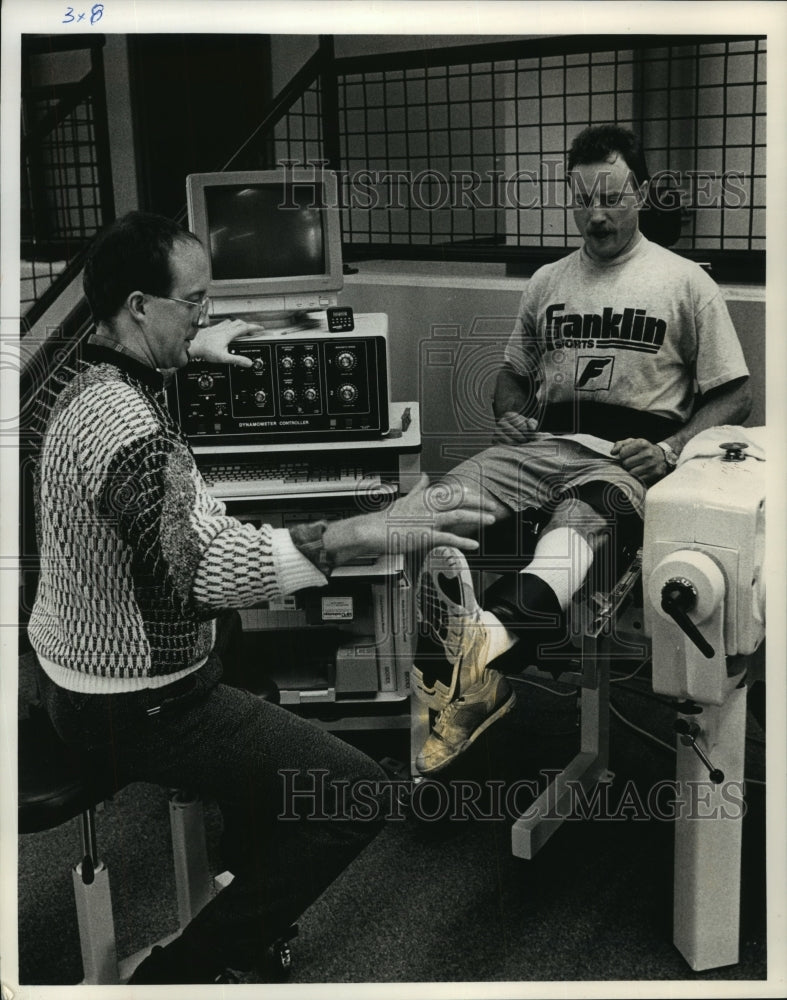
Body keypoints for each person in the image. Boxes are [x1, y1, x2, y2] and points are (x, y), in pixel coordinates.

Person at [26, 210, 495, 983]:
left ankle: (244, 862)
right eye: (195, 303)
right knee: (357, 792)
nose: (206, 317)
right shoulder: (131, 433)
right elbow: (204, 577)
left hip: (64, 670)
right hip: (135, 700)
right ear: (139, 305)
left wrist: (192, 348)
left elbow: (153, 472)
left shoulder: (78, 377)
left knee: (253, 673)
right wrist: (365, 530)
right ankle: (185, 972)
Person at [412, 124, 752, 776]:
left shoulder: (685, 284)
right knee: (425, 515)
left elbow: (733, 395)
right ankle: (466, 684)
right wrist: (509, 414)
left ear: (642, 194)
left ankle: (491, 653)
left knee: (565, 545)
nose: (595, 215)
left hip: (625, 455)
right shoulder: (546, 281)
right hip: (541, 444)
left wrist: (675, 449)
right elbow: (510, 377)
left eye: (612, 199)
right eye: (582, 199)